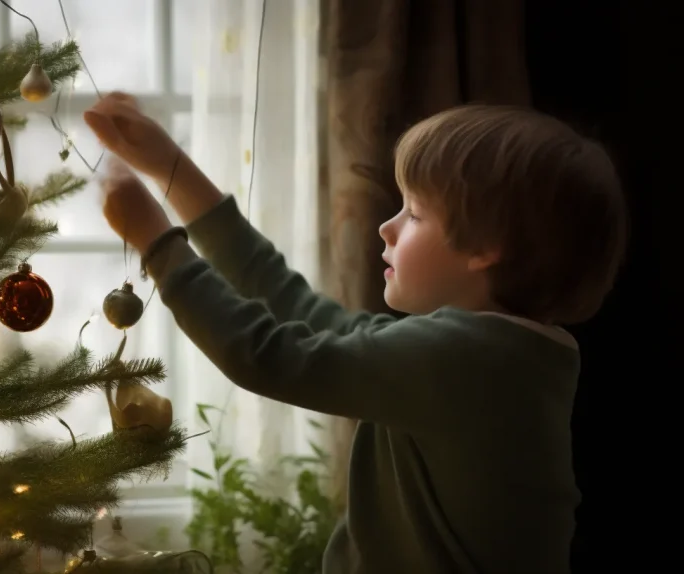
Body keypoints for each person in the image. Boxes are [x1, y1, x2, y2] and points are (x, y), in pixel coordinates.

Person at [83, 95, 627, 574]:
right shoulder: (495, 356)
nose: (387, 227)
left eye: (413, 214)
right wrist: (171, 169)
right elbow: (295, 305)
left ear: (486, 249)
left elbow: (267, 354)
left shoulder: (470, 365)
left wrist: (159, 245)